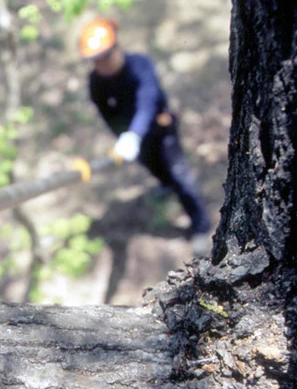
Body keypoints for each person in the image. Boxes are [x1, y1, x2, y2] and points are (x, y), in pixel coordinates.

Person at [78, 17, 212, 255]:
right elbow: (107, 113)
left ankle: (201, 226)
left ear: (117, 48)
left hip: (161, 131)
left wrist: (134, 134)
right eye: (96, 60)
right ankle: (165, 185)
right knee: (155, 169)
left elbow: (147, 102)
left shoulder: (140, 65)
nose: (101, 65)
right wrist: (122, 136)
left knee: (180, 175)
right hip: (134, 141)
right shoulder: (96, 82)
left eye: (105, 57)